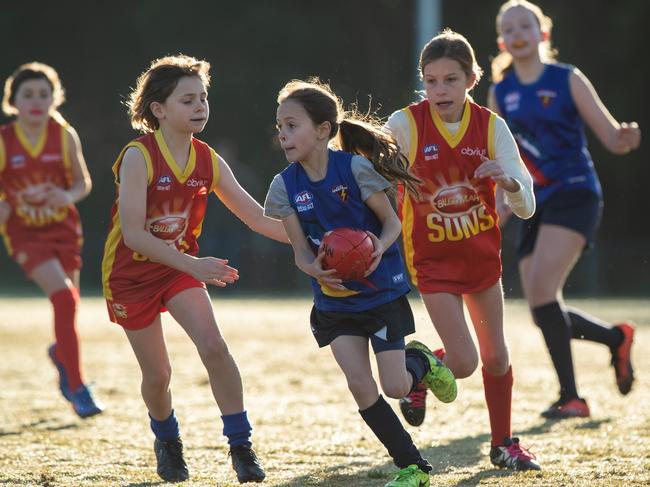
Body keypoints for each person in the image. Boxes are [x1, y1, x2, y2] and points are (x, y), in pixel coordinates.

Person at [101, 55, 287, 484]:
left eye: (203, 97)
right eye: (188, 99)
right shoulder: (137, 156)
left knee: (214, 347)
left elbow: (257, 218)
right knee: (159, 375)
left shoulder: (208, 158)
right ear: (158, 110)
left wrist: (312, 241)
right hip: (131, 276)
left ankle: (241, 447)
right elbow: (133, 234)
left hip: (179, 270)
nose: (200, 105)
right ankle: (167, 439)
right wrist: (194, 264)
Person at [264, 78, 458, 487]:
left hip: (380, 292)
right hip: (334, 303)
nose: (282, 133)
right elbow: (299, 250)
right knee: (359, 385)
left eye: (292, 124)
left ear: (322, 130)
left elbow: (390, 223)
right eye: (279, 125)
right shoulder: (284, 186)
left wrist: (373, 248)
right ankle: (413, 467)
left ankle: (421, 361)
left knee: (394, 386)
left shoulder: (354, 168)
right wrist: (311, 268)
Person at [385, 30, 541, 471]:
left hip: (482, 260)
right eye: (430, 81)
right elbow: (367, 169)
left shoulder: (491, 127)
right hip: (432, 262)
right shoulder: (404, 125)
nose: (439, 90)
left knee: (496, 356)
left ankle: (503, 445)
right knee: (467, 363)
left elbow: (526, 203)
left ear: (472, 79)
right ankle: (419, 363)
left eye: (450, 80)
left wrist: (509, 183)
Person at [488, 0, 641, 419]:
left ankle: (572, 397)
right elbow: (502, 158)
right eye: (509, 28)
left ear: (544, 34)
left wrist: (626, 138)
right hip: (532, 203)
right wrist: (500, 203)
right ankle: (614, 339)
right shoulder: (499, 91)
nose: (518, 33)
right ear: (502, 40)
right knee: (541, 306)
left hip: (575, 194)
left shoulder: (568, 78)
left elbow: (610, 137)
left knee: (540, 291)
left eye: (526, 25)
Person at [0, 62, 103, 418]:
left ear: (54, 99)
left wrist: (66, 196)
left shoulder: (64, 134)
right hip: (26, 235)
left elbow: (82, 183)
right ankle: (78, 387)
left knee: (68, 306)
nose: (36, 101)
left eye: (44, 94)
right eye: (28, 94)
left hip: (63, 231)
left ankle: (62, 355)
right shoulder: (4, 141)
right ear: (13, 101)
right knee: (63, 297)